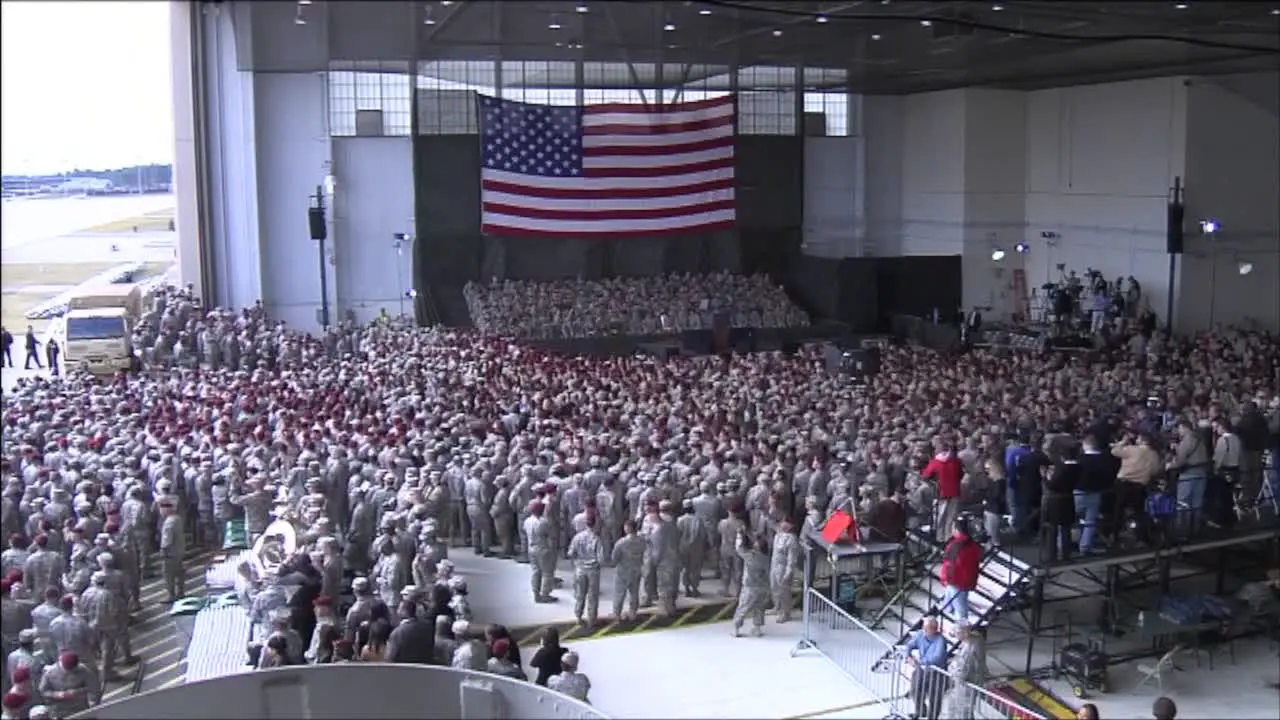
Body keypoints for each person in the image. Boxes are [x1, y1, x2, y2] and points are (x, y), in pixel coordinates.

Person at [939, 519, 981, 627]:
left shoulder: (954, 545)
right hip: (968, 580)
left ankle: (961, 630)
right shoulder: (973, 545)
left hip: (955, 581)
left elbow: (949, 565)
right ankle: (950, 616)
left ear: (957, 529)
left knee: (960, 609)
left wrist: (944, 578)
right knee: (956, 603)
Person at [905, 617, 948, 720]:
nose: (923, 631)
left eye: (926, 629)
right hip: (922, 668)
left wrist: (919, 662)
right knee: (915, 690)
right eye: (923, 628)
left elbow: (937, 658)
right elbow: (909, 645)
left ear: (934, 629)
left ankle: (932, 717)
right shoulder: (920, 634)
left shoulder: (940, 640)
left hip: (936, 672)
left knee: (934, 696)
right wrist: (908, 656)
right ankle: (920, 711)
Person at [731, 531, 770, 637]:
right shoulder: (766, 558)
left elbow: (739, 548)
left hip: (750, 587)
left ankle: (736, 628)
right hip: (763, 588)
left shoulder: (750, 556)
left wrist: (739, 535)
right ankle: (757, 628)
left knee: (743, 607)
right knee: (759, 608)